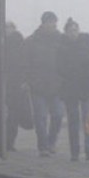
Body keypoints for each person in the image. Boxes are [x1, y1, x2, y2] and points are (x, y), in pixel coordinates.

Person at [57, 18, 89, 162]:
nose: (73, 33)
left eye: (75, 30)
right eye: (70, 30)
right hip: (69, 88)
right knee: (73, 121)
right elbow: (57, 67)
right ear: (66, 32)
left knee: (88, 119)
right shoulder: (61, 46)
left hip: (87, 87)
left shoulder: (87, 43)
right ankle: (74, 152)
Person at [26, 11, 65, 157]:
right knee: (40, 118)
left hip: (57, 85)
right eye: (49, 22)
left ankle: (51, 142)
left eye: (54, 22)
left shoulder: (62, 40)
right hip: (38, 85)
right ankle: (43, 146)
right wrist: (28, 80)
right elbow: (25, 63)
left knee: (58, 115)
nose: (52, 24)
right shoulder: (31, 41)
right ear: (42, 23)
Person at [0, 20, 28, 153]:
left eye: (9, 27)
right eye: (3, 27)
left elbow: (25, 62)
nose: (6, 30)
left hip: (15, 83)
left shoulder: (19, 42)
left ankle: (9, 142)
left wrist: (24, 80)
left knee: (13, 115)